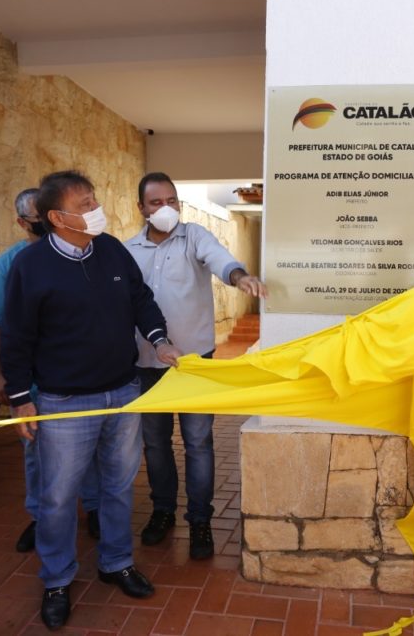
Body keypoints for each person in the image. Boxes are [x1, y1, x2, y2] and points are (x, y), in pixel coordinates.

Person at [1, 170, 182, 630]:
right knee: (59, 497)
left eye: (93, 200)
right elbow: (16, 336)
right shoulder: (30, 265)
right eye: (84, 205)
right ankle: (57, 579)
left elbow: (140, 300)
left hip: (122, 392)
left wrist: (159, 339)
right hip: (63, 403)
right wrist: (20, 399)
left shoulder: (112, 250)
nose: (95, 209)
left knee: (118, 487)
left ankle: (116, 562)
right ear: (57, 218)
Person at [124, 172, 266, 559]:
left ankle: (200, 520)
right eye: (156, 202)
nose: (166, 208)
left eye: (172, 200)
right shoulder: (128, 251)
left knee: (198, 442)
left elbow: (221, 260)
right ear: (141, 208)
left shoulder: (195, 237)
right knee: (155, 443)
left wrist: (240, 278)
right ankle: (163, 511)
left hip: (194, 363)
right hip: (146, 362)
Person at [0, 188, 100, 553]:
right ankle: (41, 516)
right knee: (37, 454)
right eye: (38, 216)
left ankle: (94, 508)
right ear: (22, 222)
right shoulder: (9, 264)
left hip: (86, 377)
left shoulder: (89, 253)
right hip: (34, 384)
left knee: (93, 449)